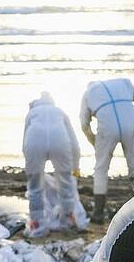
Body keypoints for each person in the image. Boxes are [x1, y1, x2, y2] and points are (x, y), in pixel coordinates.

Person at [80, 77, 134, 222]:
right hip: (130, 124)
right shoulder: (123, 84)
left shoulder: (88, 94)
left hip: (107, 127)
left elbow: (84, 124)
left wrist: (94, 143)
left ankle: (98, 213)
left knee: (101, 168)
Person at [23, 92, 87, 237]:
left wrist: (31, 170)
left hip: (34, 142)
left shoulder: (32, 113)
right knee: (65, 180)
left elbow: (24, 141)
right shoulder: (60, 112)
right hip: (60, 141)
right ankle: (68, 220)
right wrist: (75, 168)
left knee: (35, 185)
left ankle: (37, 224)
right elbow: (74, 144)